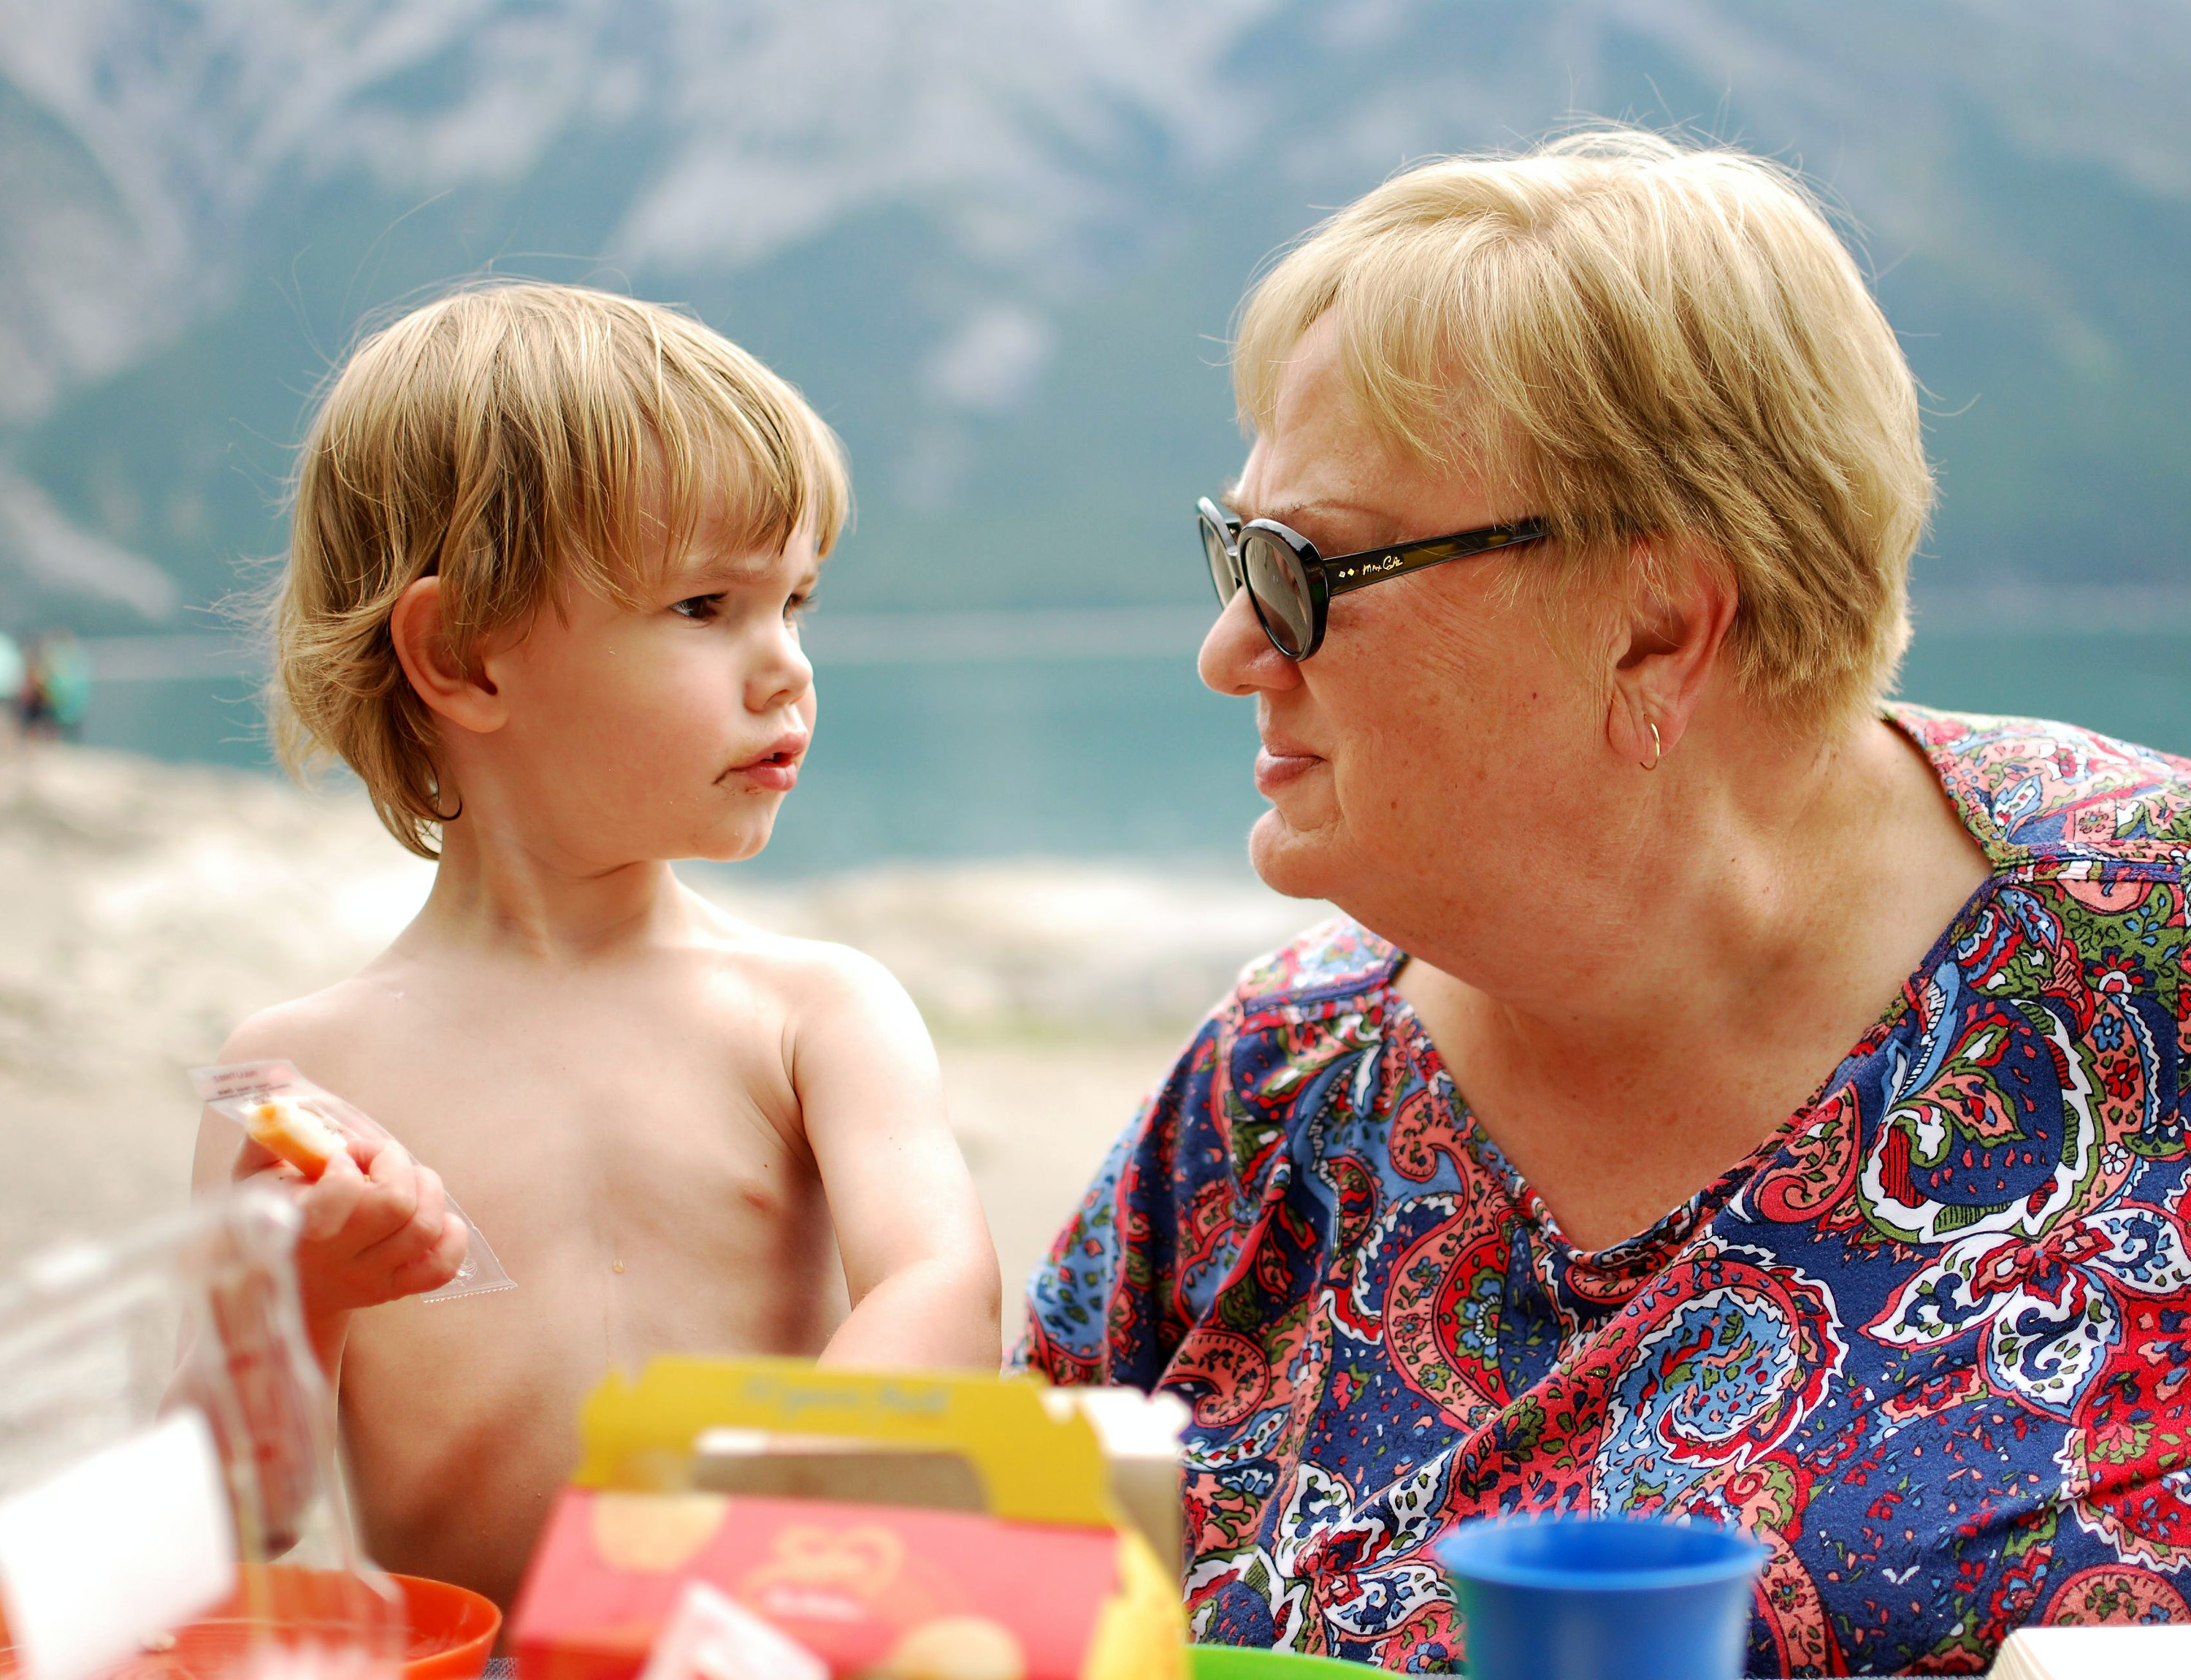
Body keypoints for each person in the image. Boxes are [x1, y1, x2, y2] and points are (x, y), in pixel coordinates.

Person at [1021, 129, 2191, 1671]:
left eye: (1306, 566)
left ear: (1654, 628)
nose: (1230, 649)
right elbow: (980, 1597)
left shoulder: (2149, 938)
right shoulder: (1273, 1081)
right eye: (1234, 551)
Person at [194, 283, 1001, 1611]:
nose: (787, 667)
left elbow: (944, 1288)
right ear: (466, 657)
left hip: (765, 1632)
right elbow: (233, 1516)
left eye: (796, 603)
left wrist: (746, 1530)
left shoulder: (814, 1012)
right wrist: (305, 1294)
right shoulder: (304, 1076)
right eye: (706, 607)